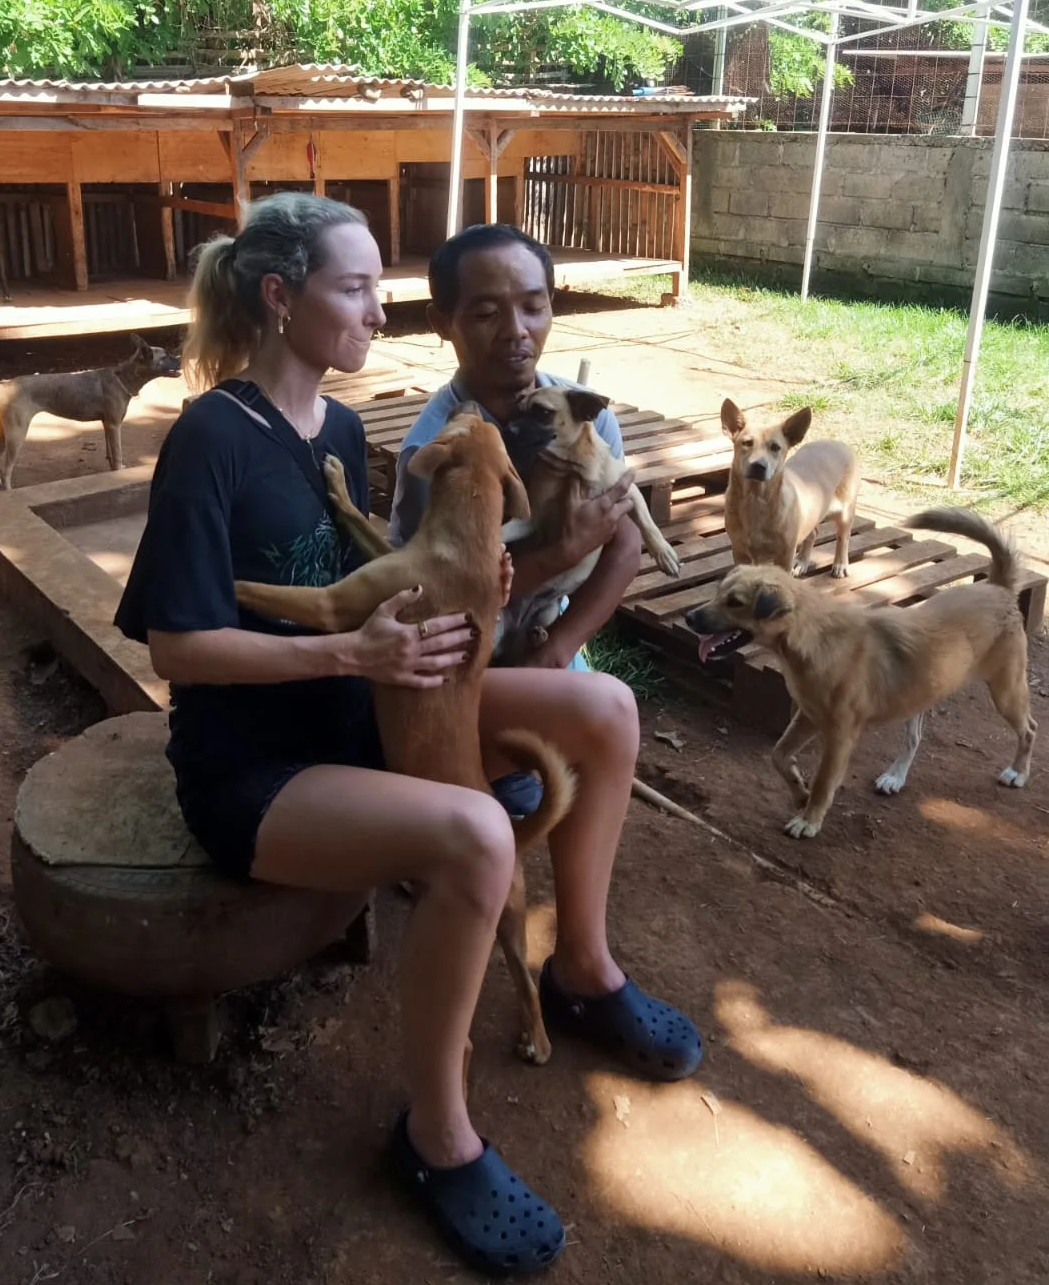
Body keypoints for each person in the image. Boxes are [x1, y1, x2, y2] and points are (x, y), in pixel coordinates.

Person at [114, 195, 701, 1278]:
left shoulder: (337, 429)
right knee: (477, 836)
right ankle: (435, 1133)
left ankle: (581, 965)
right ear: (281, 300)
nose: (380, 311)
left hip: (368, 708)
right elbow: (178, 646)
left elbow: (390, 579)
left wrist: (483, 577)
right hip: (257, 766)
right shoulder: (210, 438)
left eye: (380, 288)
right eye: (356, 287)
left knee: (607, 709)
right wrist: (348, 656)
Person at [389, 224, 642, 675]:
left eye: (532, 306)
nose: (515, 331)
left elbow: (625, 543)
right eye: (486, 313)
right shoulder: (435, 454)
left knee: (591, 722)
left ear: (552, 307)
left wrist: (557, 649)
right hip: (458, 649)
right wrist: (559, 554)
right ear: (442, 323)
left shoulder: (586, 419)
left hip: (546, 635)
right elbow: (436, 591)